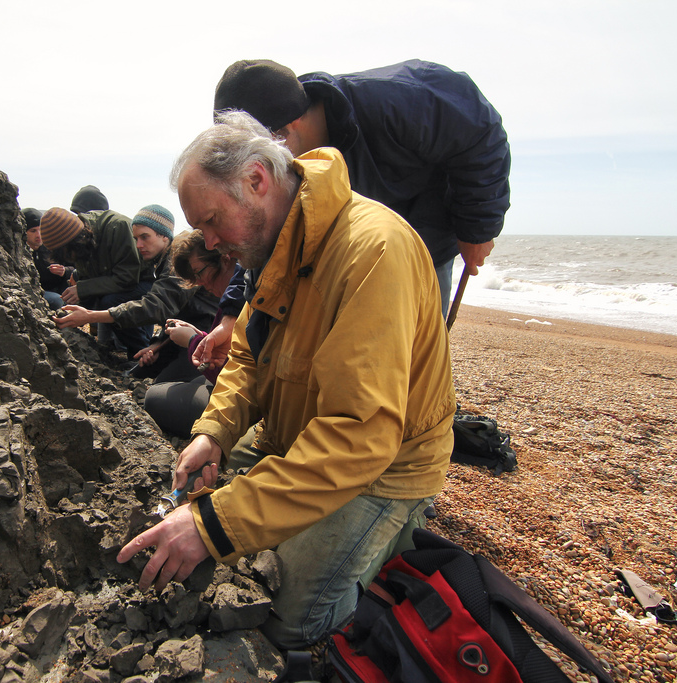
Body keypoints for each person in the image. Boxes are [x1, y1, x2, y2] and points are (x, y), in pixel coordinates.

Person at [118, 112, 456, 650]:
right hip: (296, 433)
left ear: (257, 180)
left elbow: (360, 435)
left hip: (384, 467)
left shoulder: (372, 251)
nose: (208, 242)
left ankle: (392, 538)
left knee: (285, 622)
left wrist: (212, 527)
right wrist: (214, 433)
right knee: (205, 521)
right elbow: (250, 356)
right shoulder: (273, 243)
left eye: (210, 222)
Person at [212, 59, 511, 314]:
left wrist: (477, 230)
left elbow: (481, 135)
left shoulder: (398, 100)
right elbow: (261, 229)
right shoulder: (280, 161)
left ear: (287, 129)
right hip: (352, 257)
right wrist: (231, 312)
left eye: (261, 158)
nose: (263, 173)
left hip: (426, 244)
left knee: (417, 351)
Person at [54, 205, 218, 373]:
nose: (139, 245)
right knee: (141, 371)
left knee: (163, 390)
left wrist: (91, 316)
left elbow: (157, 306)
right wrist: (155, 344)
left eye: (145, 237)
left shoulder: (180, 260)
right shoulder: (161, 262)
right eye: (136, 238)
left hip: (207, 333)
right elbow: (175, 313)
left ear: (164, 236)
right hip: (183, 331)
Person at [144, 230, 244, 438]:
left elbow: (228, 371)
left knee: (153, 397)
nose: (201, 283)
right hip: (228, 387)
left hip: (241, 401)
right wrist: (201, 335)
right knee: (182, 384)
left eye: (200, 273)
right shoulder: (231, 298)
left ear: (225, 258)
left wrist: (191, 340)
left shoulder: (243, 299)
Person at [38, 206, 149, 355]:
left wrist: (82, 289)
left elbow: (127, 278)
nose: (70, 259)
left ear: (77, 242)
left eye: (69, 254)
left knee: (110, 302)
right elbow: (88, 277)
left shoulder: (117, 228)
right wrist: (75, 311)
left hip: (146, 281)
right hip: (120, 283)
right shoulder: (80, 242)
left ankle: (142, 353)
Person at [23, 208, 70, 311]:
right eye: (33, 231)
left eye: (40, 229)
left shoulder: (53, 246)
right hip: (39, 293)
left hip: (61, 289)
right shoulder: (20, 252)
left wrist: (64, 271)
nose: (38, 235)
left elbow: (75, 268)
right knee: (57, 300)